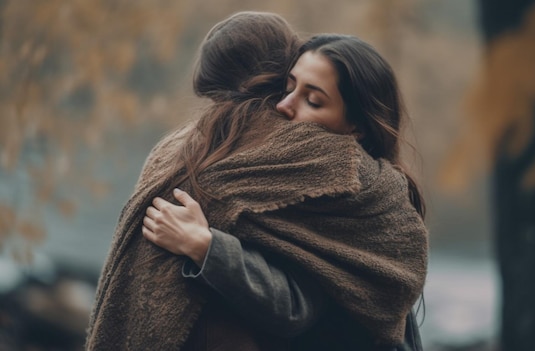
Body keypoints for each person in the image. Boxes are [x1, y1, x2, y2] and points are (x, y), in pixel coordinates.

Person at [87, 12, 427, 351]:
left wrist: (204, 245)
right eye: (288, 86)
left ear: (358, 126)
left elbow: (294, 307)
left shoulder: (345, 187)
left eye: (314, 100)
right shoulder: (252, 159)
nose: (283, 106)